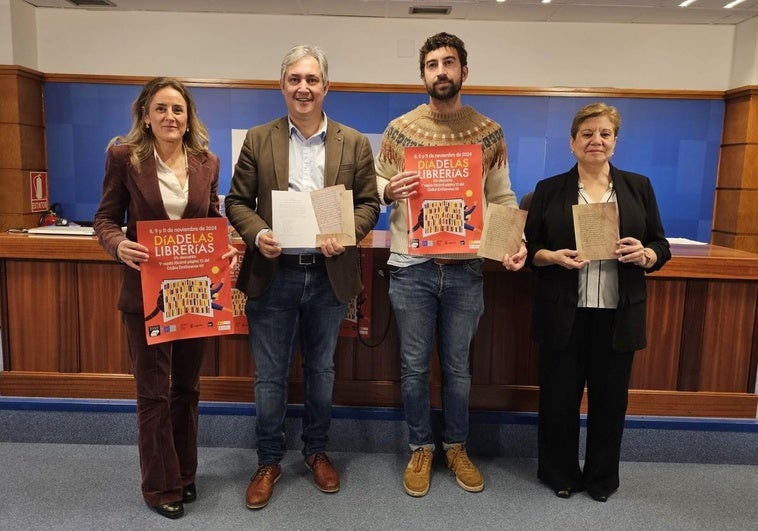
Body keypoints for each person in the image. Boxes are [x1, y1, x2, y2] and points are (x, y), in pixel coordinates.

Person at [225, 44, 379, 510]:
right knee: (269, 377)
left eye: (312, 79)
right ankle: (269, 460)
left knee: (321, 370)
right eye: (295, 79)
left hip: (329, 274)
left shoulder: (354, 142)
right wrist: (259, 234)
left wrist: (346, 233)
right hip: (274, 273)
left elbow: (371, 203)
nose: (303, 87)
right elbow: (235, 202)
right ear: (283, 86)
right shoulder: (258, 139)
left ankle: (316, 451)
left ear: (326, 87)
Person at [374, 32, 527, 497]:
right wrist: (387, 190)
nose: (441, 71)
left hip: (464, 269)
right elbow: (375, 183)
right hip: (411, 267)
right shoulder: (399, 130)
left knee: (459, 368)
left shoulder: (489, 132)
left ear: (464, 70)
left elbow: (501, 196)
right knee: (415, 366)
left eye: (449, 63)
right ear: (422, 74)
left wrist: (511, 242)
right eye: (432, 64)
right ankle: (421, 446)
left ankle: (456, 445)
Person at [94, 77, 236, 519]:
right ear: (146, 116)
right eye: (161, 109)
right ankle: (160, 486)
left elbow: (212, 219)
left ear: (189, 116)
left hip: (194, 294)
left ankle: (185, 475)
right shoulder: (124, 157)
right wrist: (118, 244)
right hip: (145, 294)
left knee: (188, 389)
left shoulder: (206, 161)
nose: (170, 117)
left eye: (178, 109)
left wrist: (226, 249)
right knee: (153, 393)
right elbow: (104, 219)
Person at [524, 102, 671, 502]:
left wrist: (647, 255)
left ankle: (602, 479)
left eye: (605, 134)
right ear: (572, 143)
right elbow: (531, 247)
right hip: (564, 312)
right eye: (587, 134)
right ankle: (560, 474)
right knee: (558, 400)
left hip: (617, 314)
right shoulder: (548, 190)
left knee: (610, 403)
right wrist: (551, 257)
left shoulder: (638, 187)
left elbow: (661, 243)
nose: (596, 141)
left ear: (615, 142)